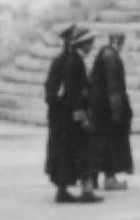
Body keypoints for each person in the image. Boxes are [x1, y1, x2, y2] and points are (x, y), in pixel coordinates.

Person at [44, 24, 102, 205]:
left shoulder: (61, 60)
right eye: (89, 42)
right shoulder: (73, 62)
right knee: (83, 151)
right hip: (71, 117)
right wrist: (83, 117)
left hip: (61, 116)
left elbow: (51, 91)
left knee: (64, 153)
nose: (92, 45)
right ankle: (86, 191)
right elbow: (74, 91)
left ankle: (63, 189)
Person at [89, 32, 134, 191]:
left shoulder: (103, 54)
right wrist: (117, 111)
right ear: (118, 42)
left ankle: (92, 178)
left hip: (97, 108)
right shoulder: (112, 58)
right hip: (107, 109)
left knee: (98, 143)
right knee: (111, 145)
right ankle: (110, 178)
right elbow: (113, 87)